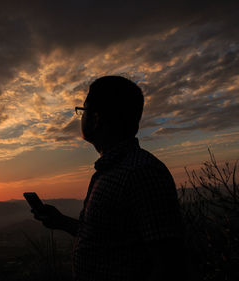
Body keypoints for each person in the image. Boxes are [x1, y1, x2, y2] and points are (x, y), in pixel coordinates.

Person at [31, 76, 186, 281]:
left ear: (96, 118)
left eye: (83, 110)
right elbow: (104, 236)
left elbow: (170, 265)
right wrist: (61, 221)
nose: (81, 117)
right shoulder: (111, 171)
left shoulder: (141, 172)